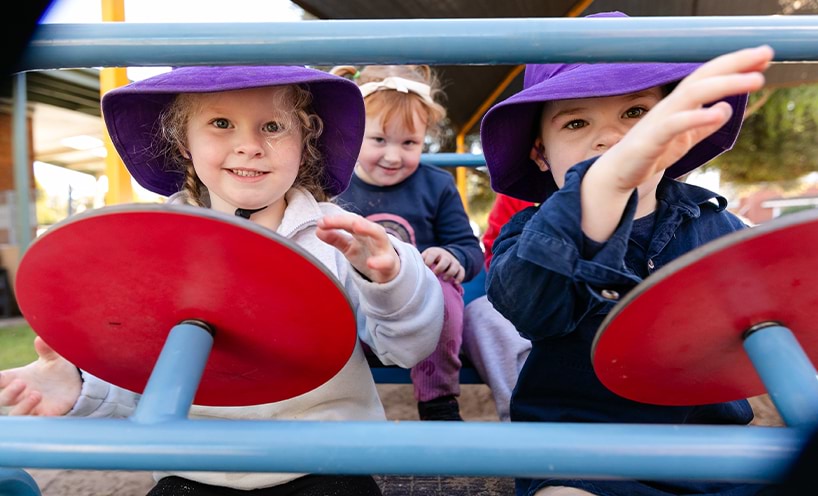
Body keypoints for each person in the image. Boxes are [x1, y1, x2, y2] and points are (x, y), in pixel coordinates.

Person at [0, 65, 445, 495]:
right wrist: (80, 384)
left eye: (273, 127)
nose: (249, 145)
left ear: (306, 142)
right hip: (197, 464)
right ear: (184, 142)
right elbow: (143, 370)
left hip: (325, 455)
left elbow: (407, 348)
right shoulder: (155, 245)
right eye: (221, 123)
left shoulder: (340, 237)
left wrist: (389, 281)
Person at [479, 10, 778, 496]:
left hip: (711, 454)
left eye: (635, 114)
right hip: (580, 456)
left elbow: (780, 309)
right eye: (576, 122)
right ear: (540, 153)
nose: (612, 139)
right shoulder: (531, 232)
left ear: (677, 132)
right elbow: (528, 306)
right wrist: (599, 191)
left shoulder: (720, 226)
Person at [330, 64, 484, 421]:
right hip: (354, 305)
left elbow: (470, 249)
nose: (393, 156)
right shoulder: (334, 184)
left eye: (410, 143)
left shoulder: (437, 186)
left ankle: (438, 402)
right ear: (353, 133)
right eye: (379, 140)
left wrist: (453, 255)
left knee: (444, 287)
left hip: (419, 307)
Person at [461, 193, 534, 422]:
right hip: (524, 295)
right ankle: (520, 419)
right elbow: (496, 252)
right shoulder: (521, 196)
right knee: (481, 315)